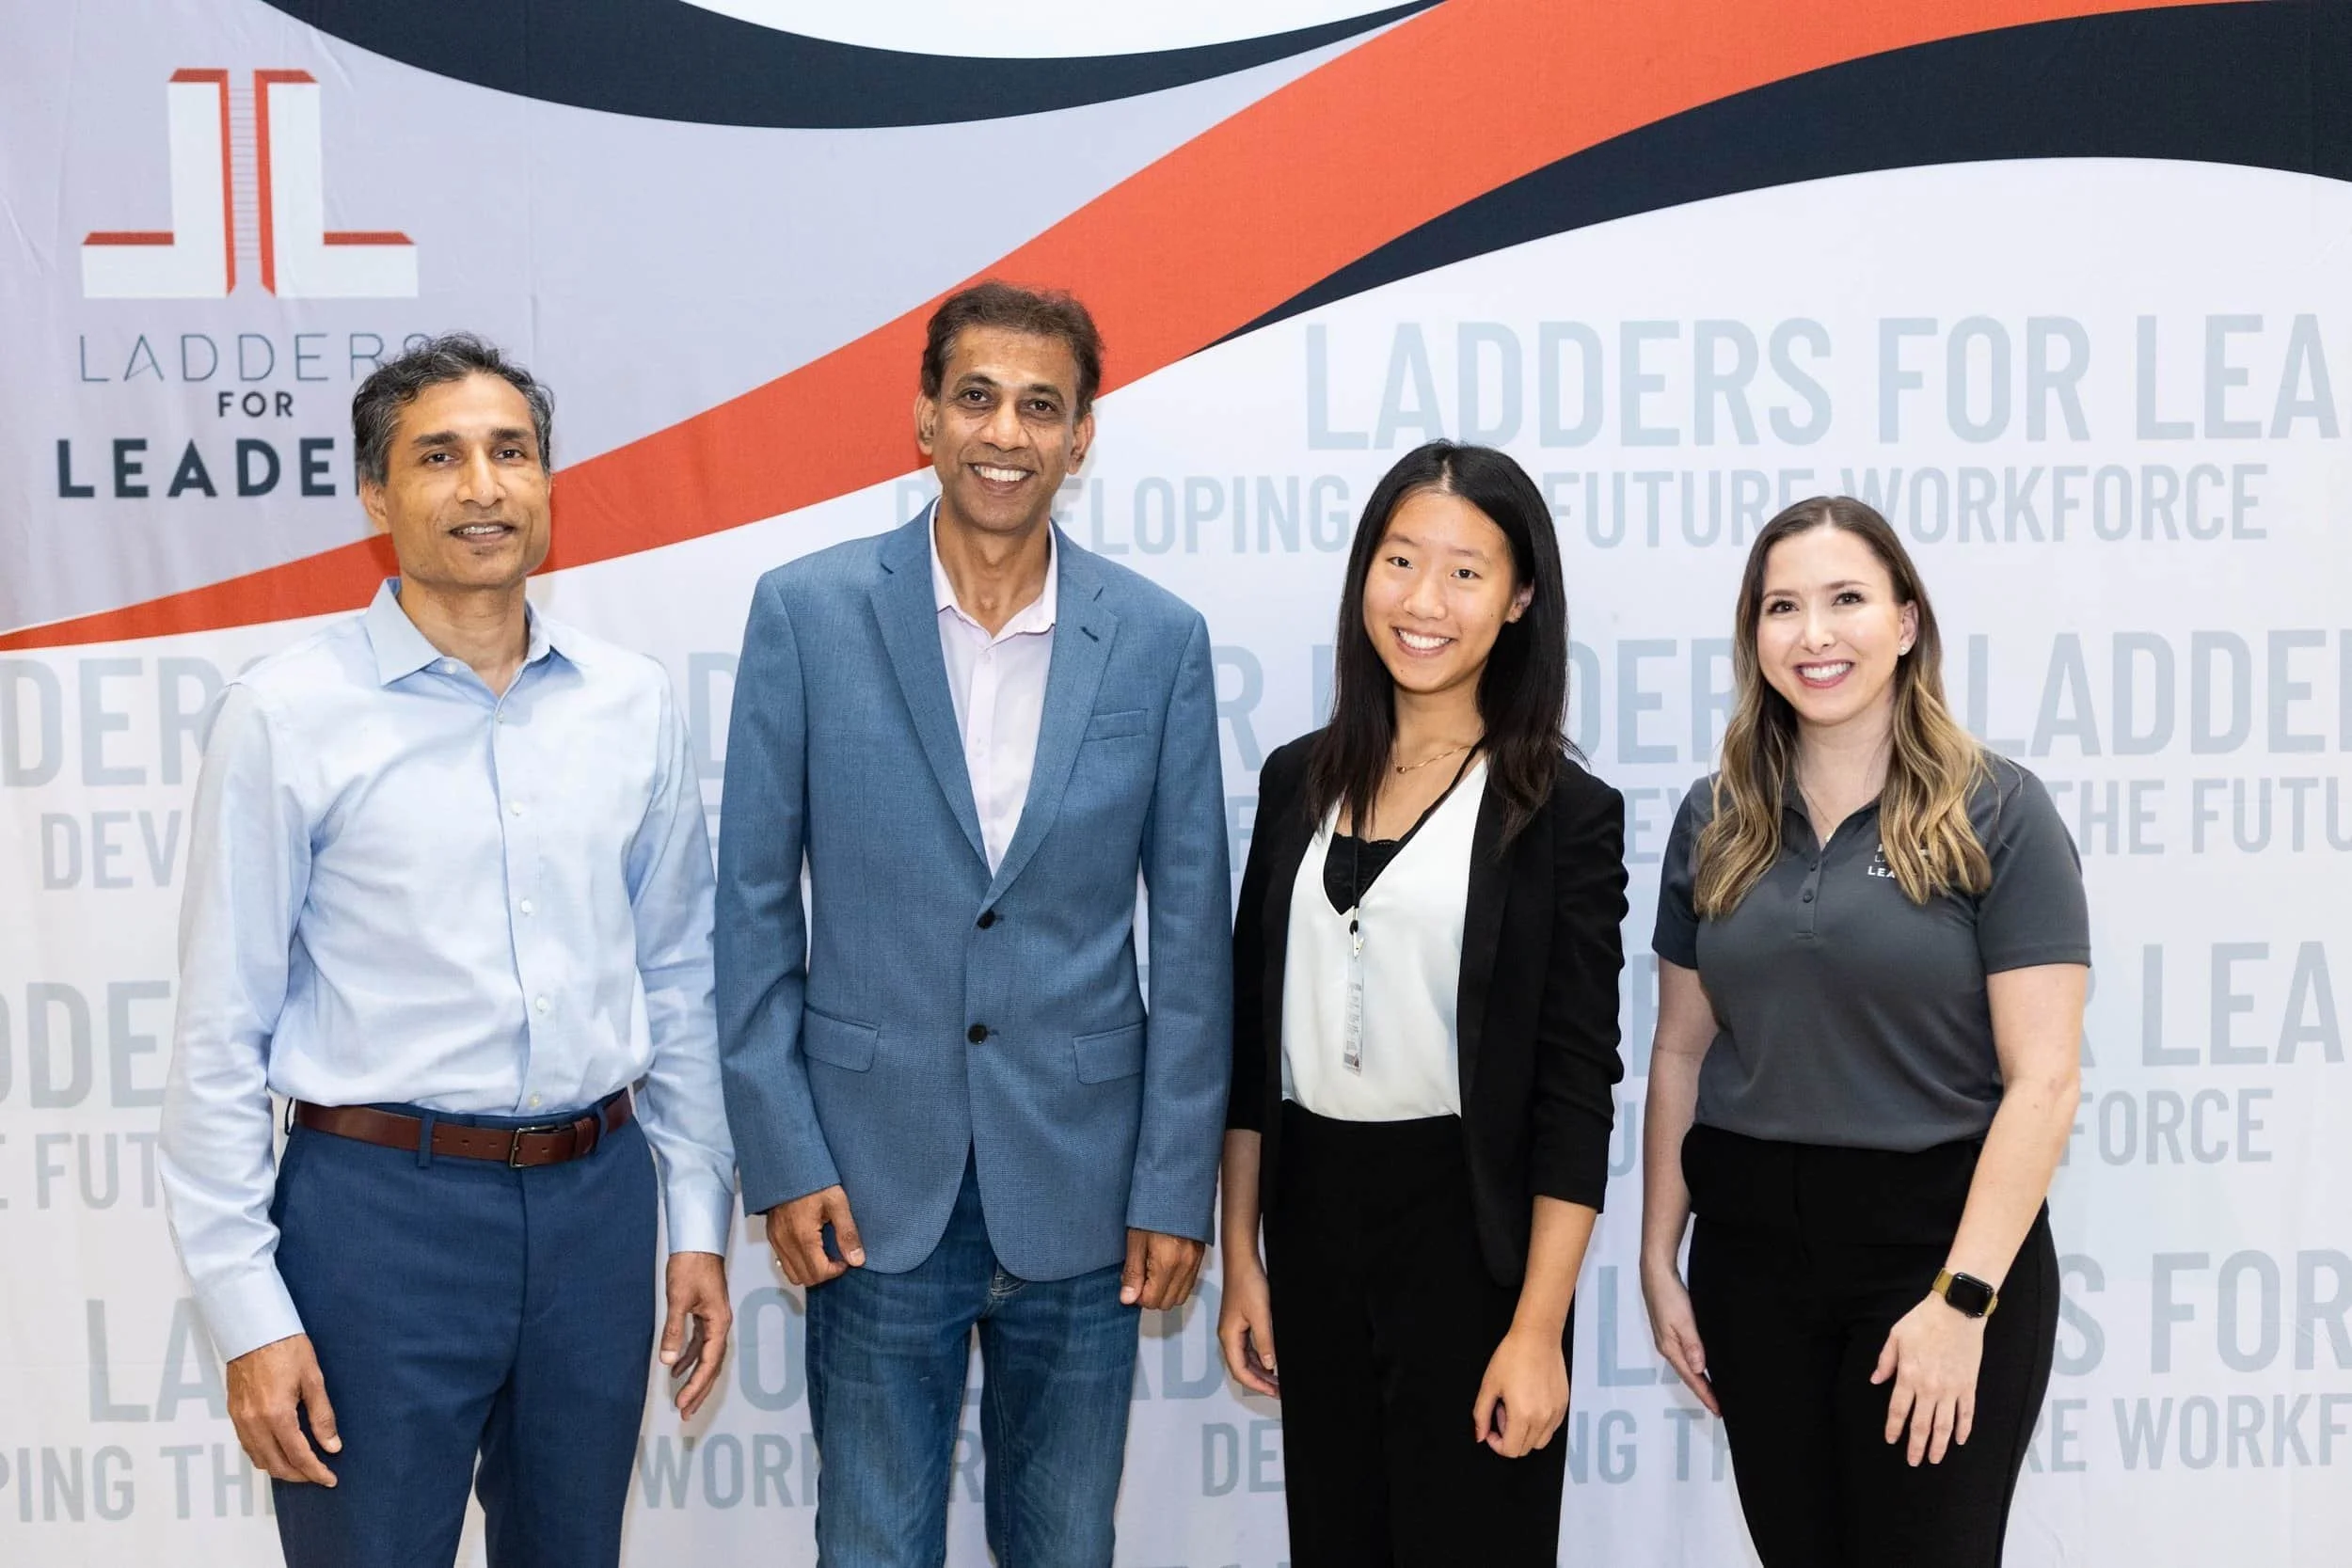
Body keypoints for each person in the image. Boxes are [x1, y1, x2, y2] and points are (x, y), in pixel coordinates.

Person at [157, 334, 739, 1568]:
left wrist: (694, 1216)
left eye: (510, 451)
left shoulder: (631, 702)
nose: (483, 485)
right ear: (378, 495)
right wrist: (246, 1310)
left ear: (546, 480)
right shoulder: (288, 712)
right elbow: (220, 1027)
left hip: (595, 1207)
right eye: (440, 455)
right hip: (377, 1221)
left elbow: (680, 976)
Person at [715, 280, 1231, 1568]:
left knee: (1064, 1547)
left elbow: (1193, 938)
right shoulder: (807, 611)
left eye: (1040, 407)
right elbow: (753, 904)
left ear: (1081, 436)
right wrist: (780, 1156)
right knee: (872, 1545)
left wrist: (1177, 1182)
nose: (1007, 432)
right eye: (978, 398)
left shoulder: (1159, 640)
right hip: (867, 1183)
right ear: (925, 420)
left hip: (1087, 1185)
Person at [1640, 496, 2089, 1567]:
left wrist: (1962, 1299)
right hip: (1751, 1261)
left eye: (1845, 598)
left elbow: (2044, 1083)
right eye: (1782, 606)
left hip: (1937, 1254)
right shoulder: (1716, 819)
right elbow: (1679, 1053)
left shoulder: (1999, 813)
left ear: (1904, 621)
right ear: (1753, 636)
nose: (1814, 633)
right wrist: (1659, 1254)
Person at [1217, 440, 1626, 1566]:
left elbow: (1573, 1085)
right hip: (1311, 1220)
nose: (1424, 601)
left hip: (1472, 1237)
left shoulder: (1563, 810)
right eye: (1399, 561)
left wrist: (1538, 1326)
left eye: (1464, 571)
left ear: (1519, 598)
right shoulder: (1294, 778)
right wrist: (1242, 1253)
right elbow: (1253, 1045)